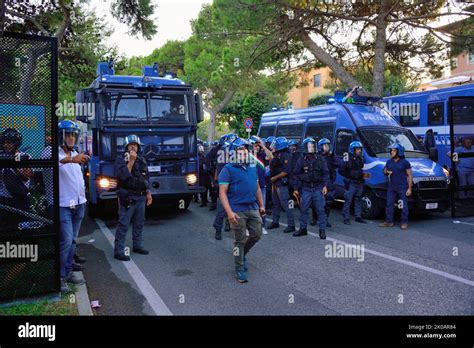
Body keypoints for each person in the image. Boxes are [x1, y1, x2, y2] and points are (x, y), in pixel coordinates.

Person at [218, 137, 265, 283]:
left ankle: (243, 254)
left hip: (252, 207)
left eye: (245, 151)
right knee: (239, 240)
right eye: (240, 152)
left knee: (256, 235)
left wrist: (261, 205)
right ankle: (239, 268)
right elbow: (222, 193)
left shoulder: (252, 167)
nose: (243, 154)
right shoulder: (227, 169)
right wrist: (229, 212)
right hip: (237, 209)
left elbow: (256, 188)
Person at [57, 120, 89, 293]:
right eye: (67, 135)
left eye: (73, 135)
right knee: (66, 241)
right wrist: (72, 159)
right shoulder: (53, 151)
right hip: (64, 205)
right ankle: (60, 277)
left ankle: (68, 272)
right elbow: (59, 162)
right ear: (61, 136)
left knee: (73, 241)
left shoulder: (75, 152)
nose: (70, 138)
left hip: (79, 204)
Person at [114, 134, 153, 261]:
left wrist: (148, 193)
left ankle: (137, 245)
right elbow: (122, 176)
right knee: (124, 224)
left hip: (141, 196)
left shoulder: (142, 159)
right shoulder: (121, 159)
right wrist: (131, 161)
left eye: (135, 145)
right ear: (126, 147)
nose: (133, 147)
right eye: (131, 145)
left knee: (139, 223)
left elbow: (145, 177)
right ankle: (119, 250)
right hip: (128, 197)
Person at [293, 137, 330, 239]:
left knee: (320, 210)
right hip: (306, 188)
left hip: (318, 188)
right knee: (304, 209)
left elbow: (326, 174)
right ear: (305, 147)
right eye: (309, 146)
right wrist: (295, 188)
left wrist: (325, 186)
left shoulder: (320, 159)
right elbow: (296, 175)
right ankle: (303, 229)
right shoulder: (301, 160)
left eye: (313, 145)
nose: (311, 148)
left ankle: (322, 230)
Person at [379, 143, 413, 230]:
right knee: (389, 204)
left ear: (399, 152)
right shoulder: (389, 161)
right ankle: (389, 222)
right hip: (391, 187)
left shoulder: (405, 162)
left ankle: (404, 222)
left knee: (403, 205)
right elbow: (385, 170)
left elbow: (409, 175)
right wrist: (386, 172)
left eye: (394, 151)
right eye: (391, 150)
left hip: (402, 187)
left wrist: (409, 188)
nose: (392, 152)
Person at [267, 137, 296, 233]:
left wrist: (274, 178)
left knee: (286, 204)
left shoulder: (286, 156)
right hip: (275, 183)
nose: (273, 146)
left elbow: (285, 171)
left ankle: (291, 225)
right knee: (276, 204)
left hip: (282, 183)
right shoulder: (277, 155)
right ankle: (275, 222)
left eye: (275, 145)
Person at [212, 134, 237, 240]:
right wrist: (215, 180)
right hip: (224, 184)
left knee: (234, 207)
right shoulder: (221, 153)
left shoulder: (237, 155)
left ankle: (229, 224)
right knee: (222, 209)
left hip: (234, 184)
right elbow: (218, 168)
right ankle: (218, 229)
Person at [339, 141, 367, 225]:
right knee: (348, 200)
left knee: (358, 199)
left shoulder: (359, 158)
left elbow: (361, 167)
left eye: (360, 149)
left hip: (359, 181)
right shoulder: (346, 157)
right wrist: (349, 176)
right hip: (351, 182)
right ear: (353, 149)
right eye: (358, 149)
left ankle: (358, 216)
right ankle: (346, 217)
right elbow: (341, 170)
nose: (359, 151)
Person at [249, 135, 273, 229]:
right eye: (255, 145)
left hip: (262, 185)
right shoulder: (247, 156)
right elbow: (253, 164)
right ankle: (250, 226)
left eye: (258, 146)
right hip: (251, 185)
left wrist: (263, 146)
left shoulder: (262, 155)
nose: (257, 147)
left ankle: (262, 225)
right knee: (251, 206)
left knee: (262, 205)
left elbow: (271, 157)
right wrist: (253, 152)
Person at [318, 138, 340, 228]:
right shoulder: (317, 157)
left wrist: (332, 155)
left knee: (329, 202)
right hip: (319, 182)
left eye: (328, 145)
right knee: (318, 202)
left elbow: (339, 164)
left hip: (329, 181)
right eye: (325, 146)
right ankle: (315, 218)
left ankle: (325, 219)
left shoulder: (331, 157)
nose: (326, 148)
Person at [198, 143, 211, 207]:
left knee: (205, 188)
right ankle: (204, 201)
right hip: (205, 174)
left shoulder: (202, 154)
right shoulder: (203, 155)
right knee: (206, 188)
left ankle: (204, 201)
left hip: (205, 174)